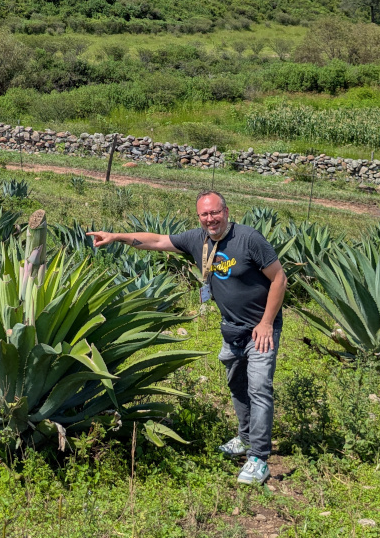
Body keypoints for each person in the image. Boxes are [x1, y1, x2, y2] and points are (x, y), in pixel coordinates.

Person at [89, 189, 287, 485]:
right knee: (237, 385)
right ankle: (245, 438)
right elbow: (157, 241)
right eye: (205, 214)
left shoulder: (248, 239)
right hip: (231, 329)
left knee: (259, 389)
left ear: (226, 211)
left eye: (215, 212)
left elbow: (279, 278)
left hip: (260, 330)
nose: (211, 219)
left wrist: (266, 323)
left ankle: (258, 457)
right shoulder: (198, 240)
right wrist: (117, 237)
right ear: (199, 217)